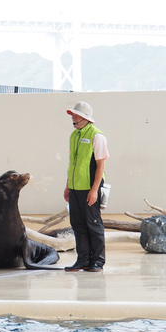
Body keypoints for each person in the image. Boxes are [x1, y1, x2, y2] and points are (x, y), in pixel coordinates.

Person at [63, 101, 109, 272]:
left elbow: (100, 165)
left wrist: (94, 189)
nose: (73, 118)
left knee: (94, 224)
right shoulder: (74, 136)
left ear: (85, 118)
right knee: (78, 224)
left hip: (90, 187)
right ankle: (83, 260)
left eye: (76, 115)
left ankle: (98, 261)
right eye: (72, 115)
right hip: (75, 188)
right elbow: (72, 164)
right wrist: (68, 186)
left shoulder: (97, 136)